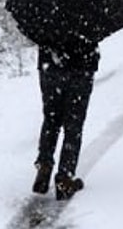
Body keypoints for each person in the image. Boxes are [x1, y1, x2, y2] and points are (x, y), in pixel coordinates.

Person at [32, 40, 99, 200]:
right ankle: (65, 177)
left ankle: (45, 164)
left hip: (50, 65)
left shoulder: (45, 17)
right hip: (82, 65)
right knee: (73, 125)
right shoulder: (90, 16)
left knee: (51, 119)